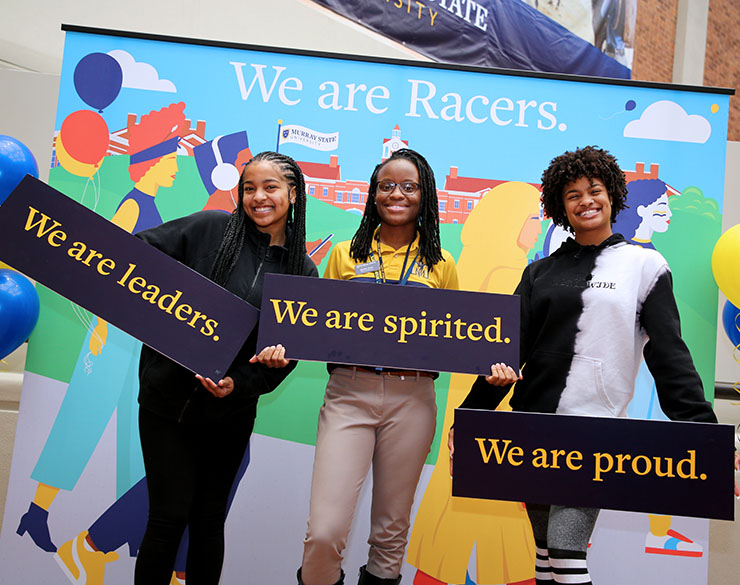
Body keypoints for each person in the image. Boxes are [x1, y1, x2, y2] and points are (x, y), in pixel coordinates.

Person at [452, 145, 732, 585]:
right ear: (560, 207)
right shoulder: (538, 272)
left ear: (612, 195)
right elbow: (505, 351)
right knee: (545, 556)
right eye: (573, 195)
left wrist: (704, 433)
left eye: (594, 190)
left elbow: (670, 355)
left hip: (594, 433)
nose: (586, 201)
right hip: (531, 430)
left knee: (566, 552)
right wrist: (471, 415)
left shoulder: (646, 265)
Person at [133, 151, 317, 585]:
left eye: (270, 187)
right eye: (249, 187)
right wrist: (171, 315)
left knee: (208, 519)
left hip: (229, 416)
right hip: (165, 403)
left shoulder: (302, 272)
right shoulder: (209, 227)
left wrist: (242, 382)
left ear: (293, 193)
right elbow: (137, 258)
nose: (258, 197)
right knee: (167, 517)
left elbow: (281, 364)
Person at [299, 148, 459, 585]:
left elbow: (459, 339)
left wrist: (492, 364)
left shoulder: (442, 265)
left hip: (414, 399)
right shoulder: (345, 257)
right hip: (350, 393)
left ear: (424, 197)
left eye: (410, 186)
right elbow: (315, 324)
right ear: (372, 195)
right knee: (325, 532)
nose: (397, 194)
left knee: (390, 533)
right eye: (387, 185)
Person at [407, 181, 542, 585]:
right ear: (512, 221)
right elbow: (515, 349)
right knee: (497, 503)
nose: (537, 229)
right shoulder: (511, 271)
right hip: (498, 401)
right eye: (533, 219)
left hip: (468, 400)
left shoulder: (474, 259)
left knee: (460, 496)